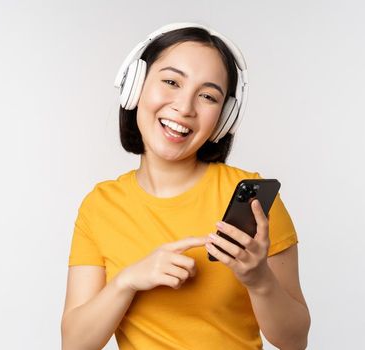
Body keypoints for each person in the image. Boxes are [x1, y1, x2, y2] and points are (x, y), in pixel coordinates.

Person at [60, 23, 311, 350]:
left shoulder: (251, 200)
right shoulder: (100, 206)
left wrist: (259, 280)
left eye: (207, 96)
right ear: (135, 87)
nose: (185, 107)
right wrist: (128, 281)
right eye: (170, 82)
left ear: (224, 118)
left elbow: (295, 341)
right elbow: (75, 344)